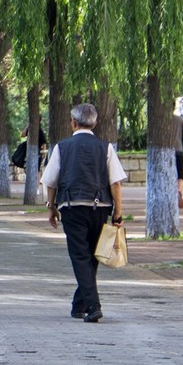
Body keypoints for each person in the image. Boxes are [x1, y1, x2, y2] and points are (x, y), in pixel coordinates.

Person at [41, 102, 128, 323]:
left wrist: (51, 207)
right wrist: (118, 212)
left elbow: (50, 182)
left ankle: (92, 306)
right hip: (100, 208)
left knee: (80, 256)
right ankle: (78, 305)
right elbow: (115, 183)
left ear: (73, 122)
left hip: (72, 208)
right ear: (95, 123)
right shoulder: (105, 147)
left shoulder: (62, 147)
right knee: (92, 256)